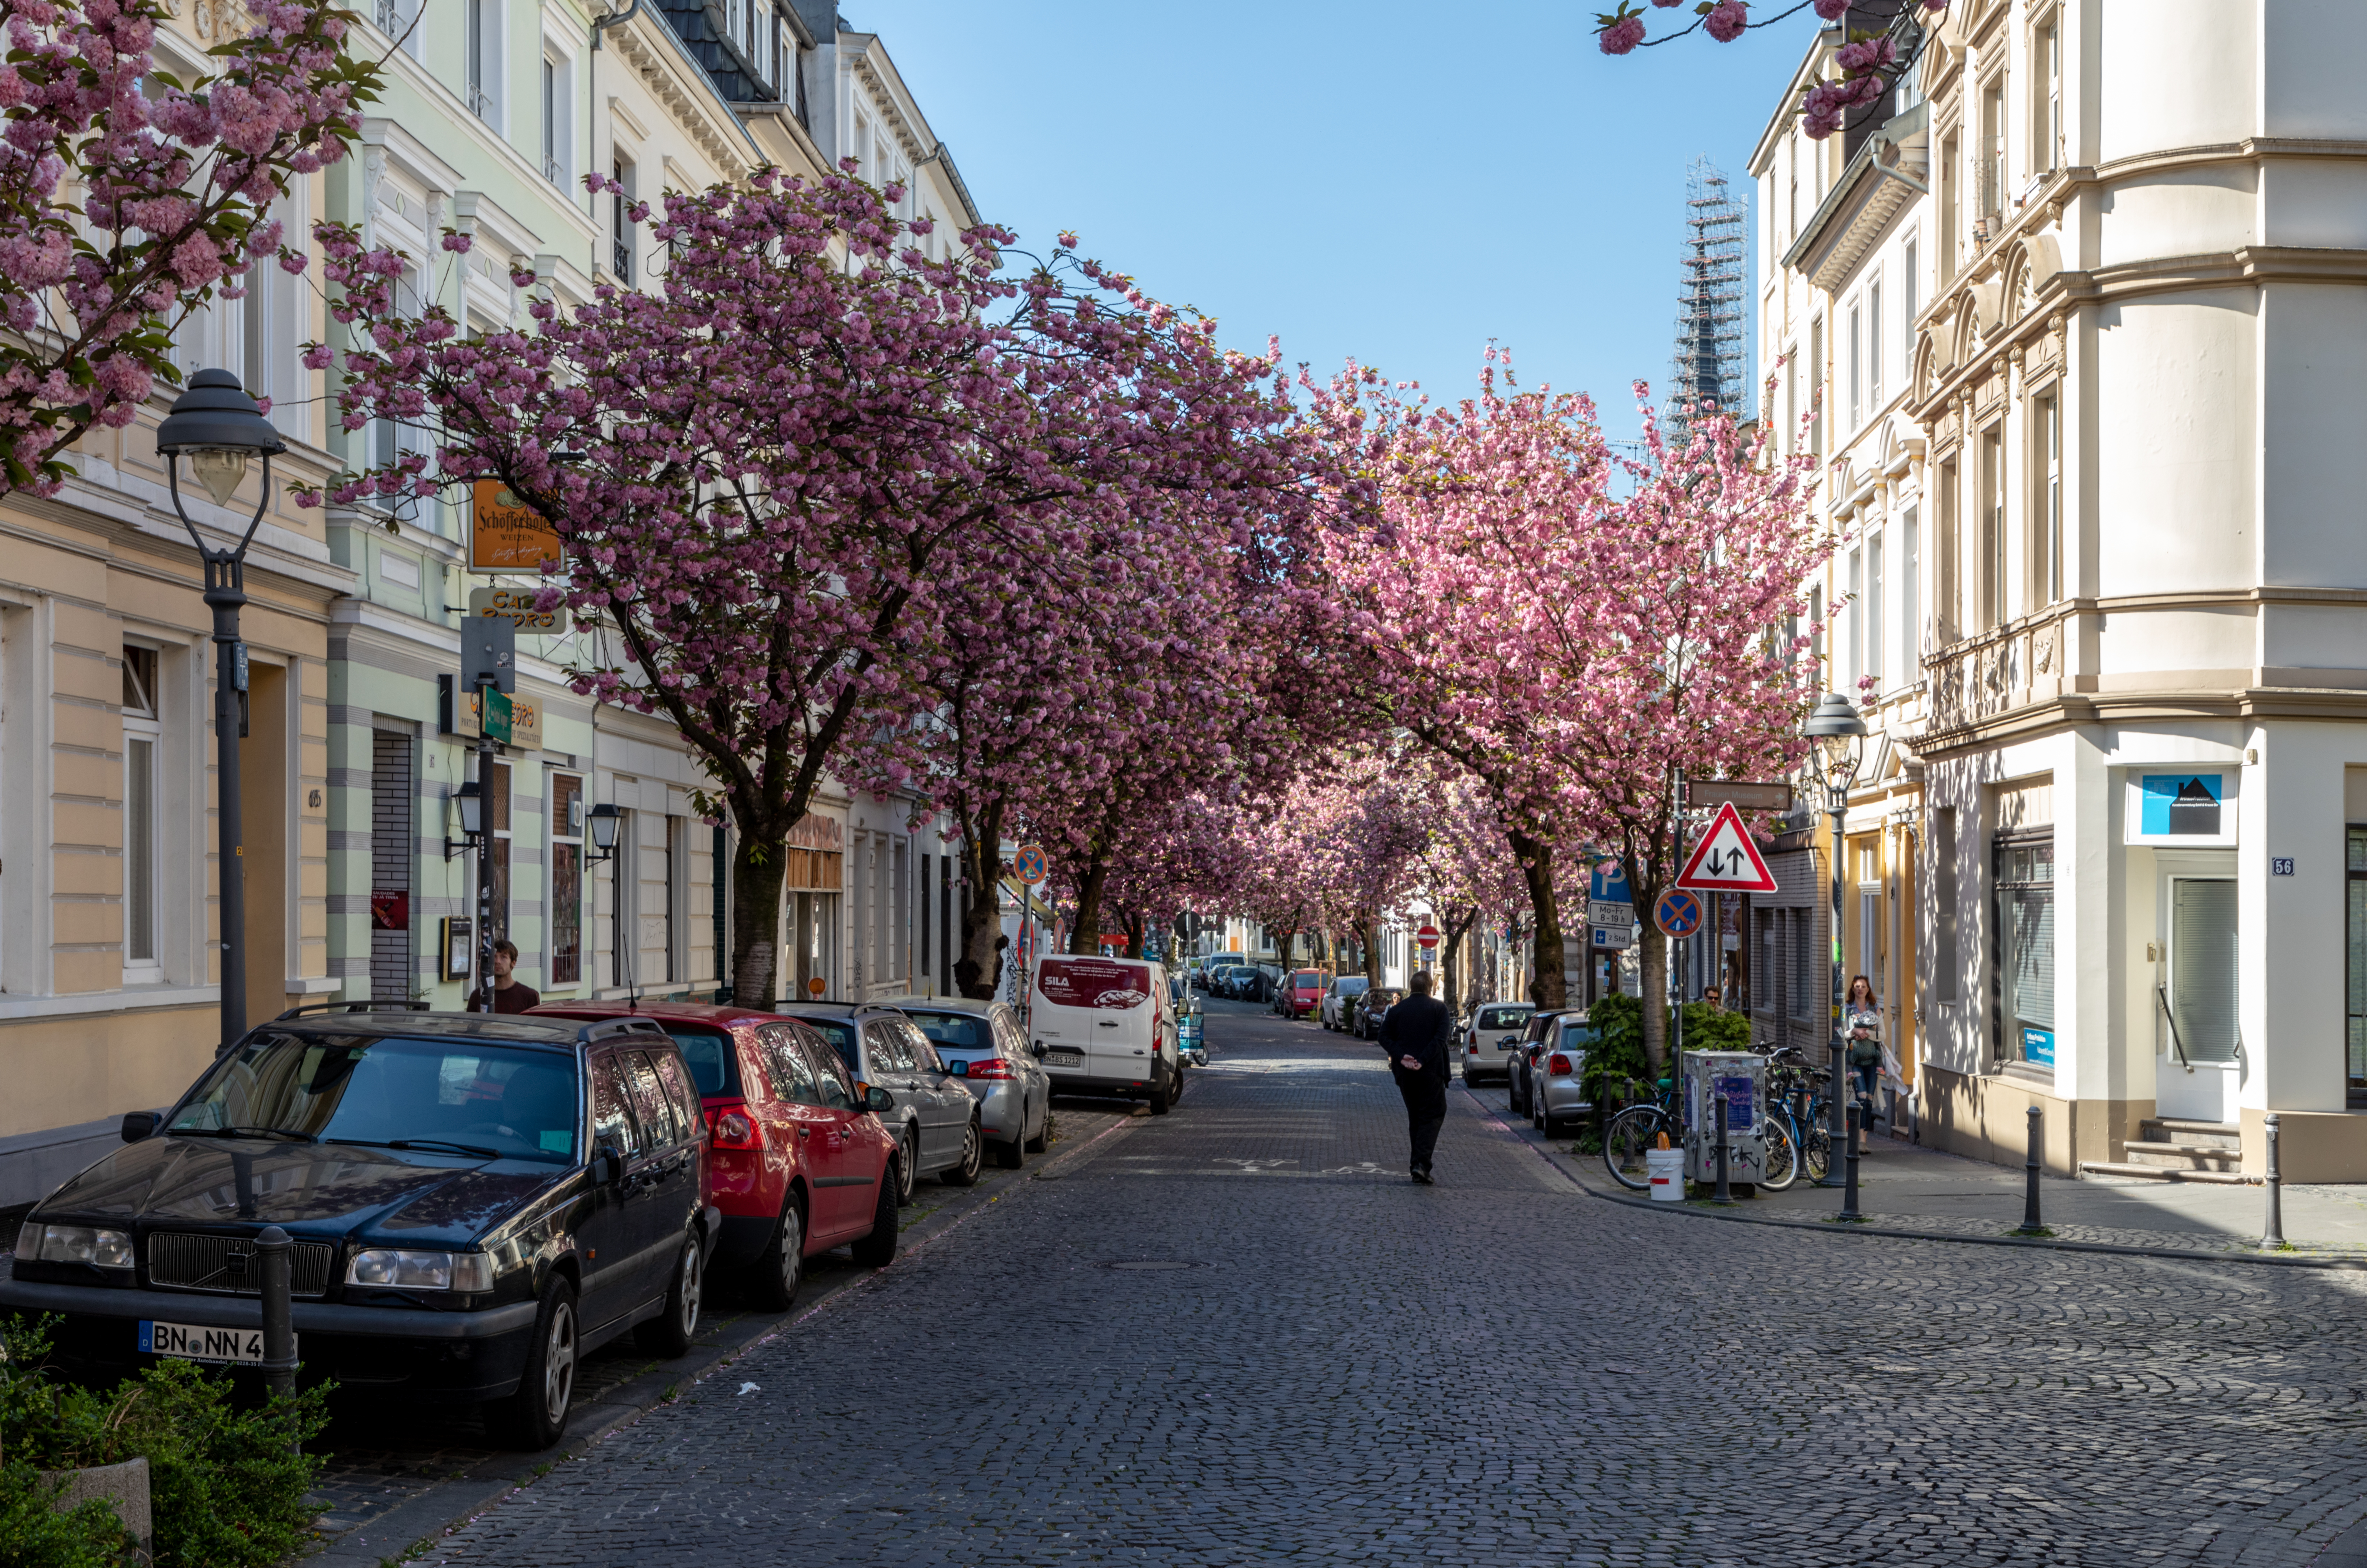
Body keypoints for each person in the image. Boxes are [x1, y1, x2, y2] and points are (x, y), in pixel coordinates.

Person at [1380, 970, 1452, 1184]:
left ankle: (1416, 1165)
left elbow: (1383, 1037)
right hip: (1431, 1072)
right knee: (1434, 1114)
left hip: (1405, 1074)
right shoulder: (1439, 1009)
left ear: (1411, 987)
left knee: (1416, 1116)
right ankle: (1421, 1165)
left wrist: (1402, 1057)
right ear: (1430, 988)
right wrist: (1422, 1060)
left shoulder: (1396, 1011)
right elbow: (1440, 1039)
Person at [1844, 975, 1881, 1134]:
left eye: (1863, 987)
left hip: (1872, 1059)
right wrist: (1854, 1031)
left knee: (1869, 1100)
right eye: (1857, 986)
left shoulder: (1875, 1008)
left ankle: (1863, 1140)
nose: (1860, 989)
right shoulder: (1847, 1009)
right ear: (1853, 988)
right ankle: (1857, 1137)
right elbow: (1841, 1034)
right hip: (1855, 1060)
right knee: (1862, 1096)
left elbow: (1882, 1035)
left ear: (1868, 990)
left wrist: (1866, 1034)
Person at [469, 939, 542, 1014]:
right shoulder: (478, 996)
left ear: (513, 963)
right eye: (494, 957)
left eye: (504, 957)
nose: (498, 962)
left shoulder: (529, 996)